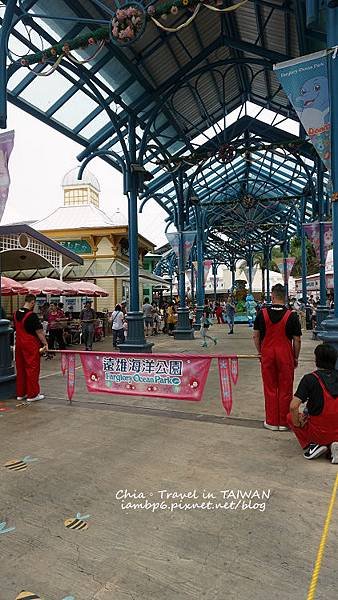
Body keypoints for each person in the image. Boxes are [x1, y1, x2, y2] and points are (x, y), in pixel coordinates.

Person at [253, 283, 302, 431]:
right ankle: (284, 422)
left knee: (270, 387)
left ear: (272, 296)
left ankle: (272, 421)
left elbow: (256, 336)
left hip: (267, 353)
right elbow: (297, 340)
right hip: (285, 355)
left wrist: (260, 352)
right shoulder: (291, 315)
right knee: (285, 388)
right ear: (285, 297)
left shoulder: (262, 313)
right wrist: (295, 357)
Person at [288, 344, 338, 463]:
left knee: (290, 417)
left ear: (316, 360)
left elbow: (293, 406)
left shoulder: (309, 379)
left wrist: (298, 423)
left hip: (319, 432)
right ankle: (333, 446)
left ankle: (313, 445)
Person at [13, 294, 48, 402]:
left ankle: (21, 393)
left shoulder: (16, 313)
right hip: (30, 345)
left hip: (19, 344)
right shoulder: (32, 316)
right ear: (32, 302)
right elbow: (40, 332)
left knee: (21, 368)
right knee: (32, 369)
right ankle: (32, 395)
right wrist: (45, 344)